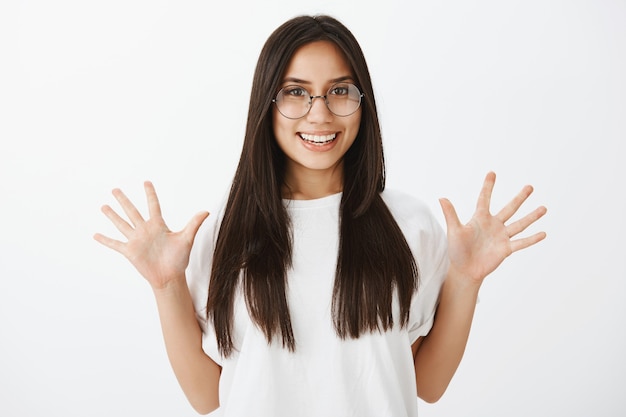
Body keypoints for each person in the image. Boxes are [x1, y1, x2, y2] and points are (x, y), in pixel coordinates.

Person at [94, 14, 547, 417]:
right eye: (296, 92)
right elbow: (205, 397)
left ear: (362, 101)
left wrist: (464, 280)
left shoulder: (409, 224)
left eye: (339, 91)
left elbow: (427, 384)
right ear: (266, 105)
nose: (320, 113)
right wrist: (166, 285)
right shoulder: (224, 233)